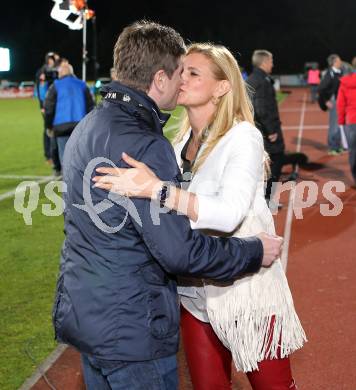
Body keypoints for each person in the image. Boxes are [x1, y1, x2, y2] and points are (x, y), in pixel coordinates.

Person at [53, 21, 283, 390]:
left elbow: (225, 214)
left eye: (195, 72)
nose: (184, 81)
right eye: (182, 71)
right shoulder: (164, 143)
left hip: (238, 290)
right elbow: (177, 248)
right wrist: (251, 250)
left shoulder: (93, 124)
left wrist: (162, 191)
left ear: (223, 86)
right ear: (160, 79)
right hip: (174, 301)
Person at [246, 50, 286, 203]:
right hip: (265, 130)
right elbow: (261, 108)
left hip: (254, 129)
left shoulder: (251, 79)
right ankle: (267, 198)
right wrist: (271, 131)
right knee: (277, 159)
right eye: (271, 61)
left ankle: (260, 198)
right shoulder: (262, 81)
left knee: (258, 164)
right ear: (263, 63)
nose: (273, 64)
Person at [44, 61, 94, 165]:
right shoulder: (82, 85)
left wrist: (48, 126)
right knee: (81, 157)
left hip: (61, 126)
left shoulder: (55, 86)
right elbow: (91, 107)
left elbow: (49, 108)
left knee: (65, 158)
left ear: (60, 73)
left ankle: (68, 178)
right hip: (80, 126)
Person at [35, 52, 61, 173]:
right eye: (54, 59)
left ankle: (55, 155)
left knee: (55, 129)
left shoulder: (55, 70)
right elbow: (41, 89)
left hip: (56, 104)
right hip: (47, 105)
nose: (56, 61)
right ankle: (48, 155)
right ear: (48, 60)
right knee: (48, 129)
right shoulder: (43, 71)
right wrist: (42, 106)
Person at [318, 54, 344, 155]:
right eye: (339, 60)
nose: (341, 62)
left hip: (341, 100)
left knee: (339, 125)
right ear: (334, 62)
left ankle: (337, 146)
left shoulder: (339, 72)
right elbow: (321, 88)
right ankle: (332, 147)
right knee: (334, 125)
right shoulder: (330, 74)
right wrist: (326, 101)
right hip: (334, 101)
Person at [336, 56, 356, 185]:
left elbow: (340, 104)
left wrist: (341, 120)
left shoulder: (345, 82)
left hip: (352, 120)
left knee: (354, 151)